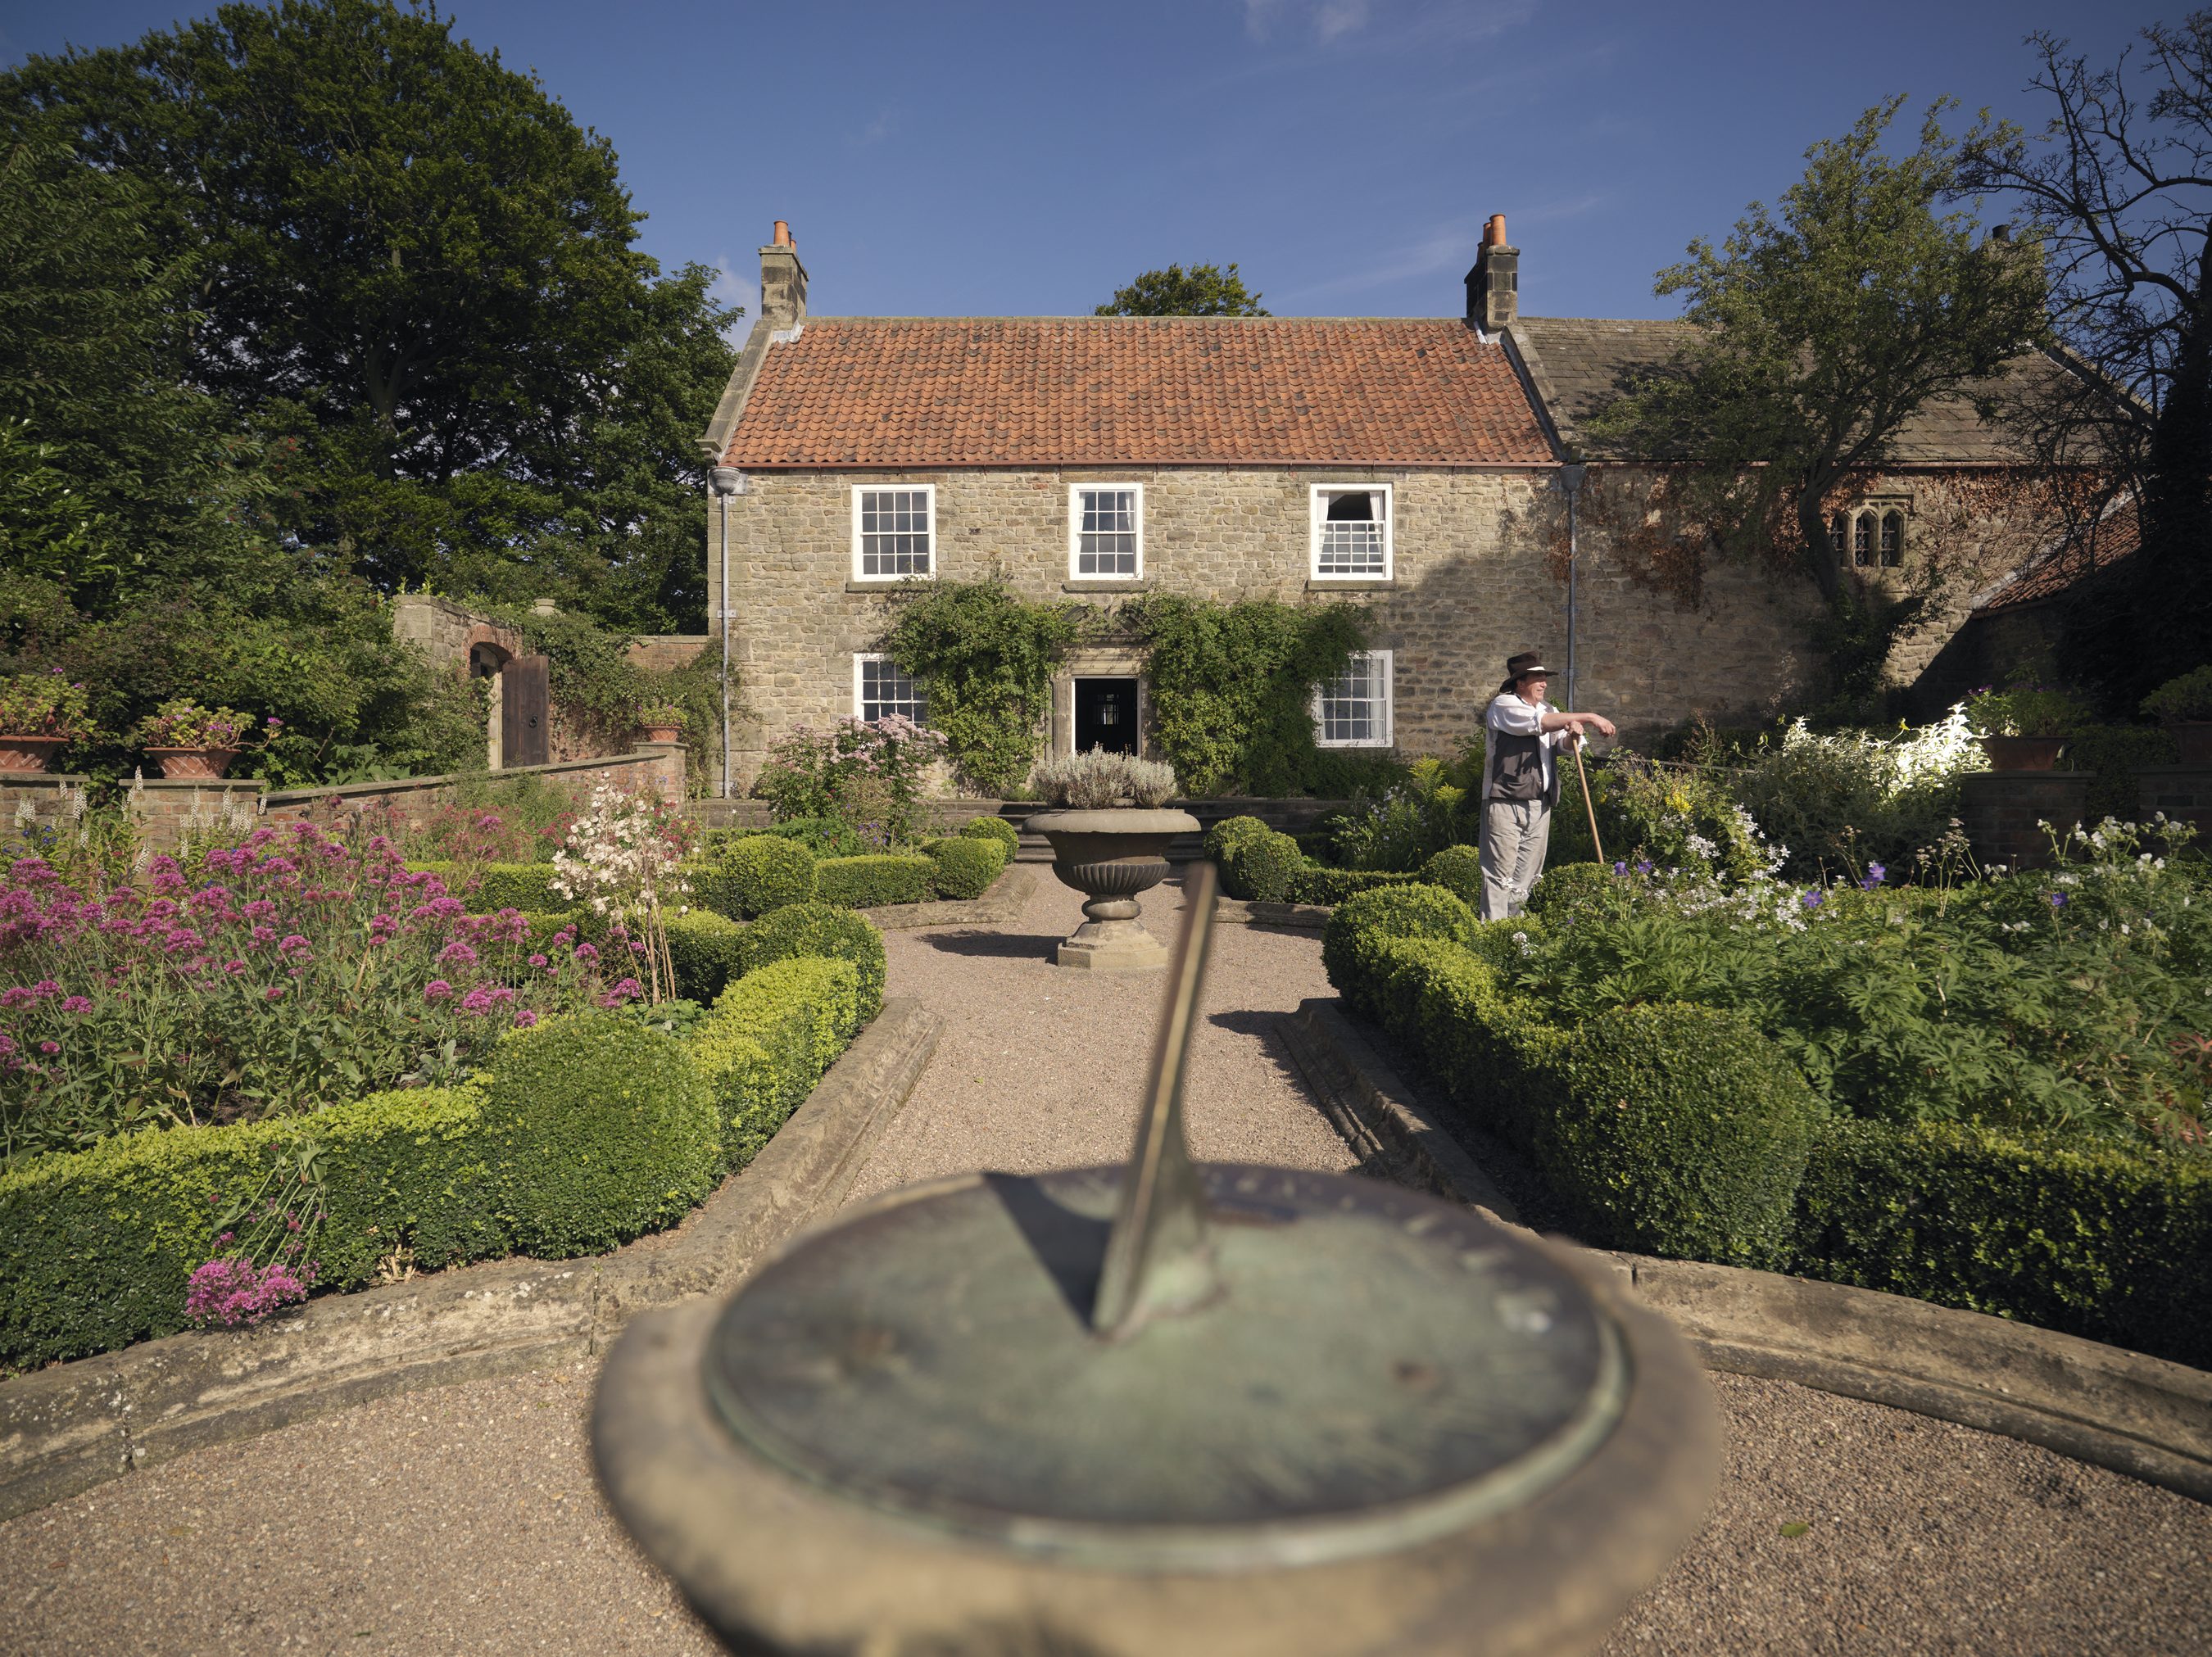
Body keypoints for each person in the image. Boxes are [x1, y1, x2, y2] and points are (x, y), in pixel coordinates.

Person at [1478, 652, 1615, 921]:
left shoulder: (1550, 711)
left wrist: (1572, 736)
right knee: (1499, 874)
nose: (1544, 683)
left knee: (1527, 874)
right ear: (1520, 683)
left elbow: (1562, 746)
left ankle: (1514, 931)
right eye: (1537, 678)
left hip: (1541, 804)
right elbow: (1538, 725)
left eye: (1544, 678)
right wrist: (1590, 716)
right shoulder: (1504, 705)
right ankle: (1492, 934)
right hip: (1505, 801)